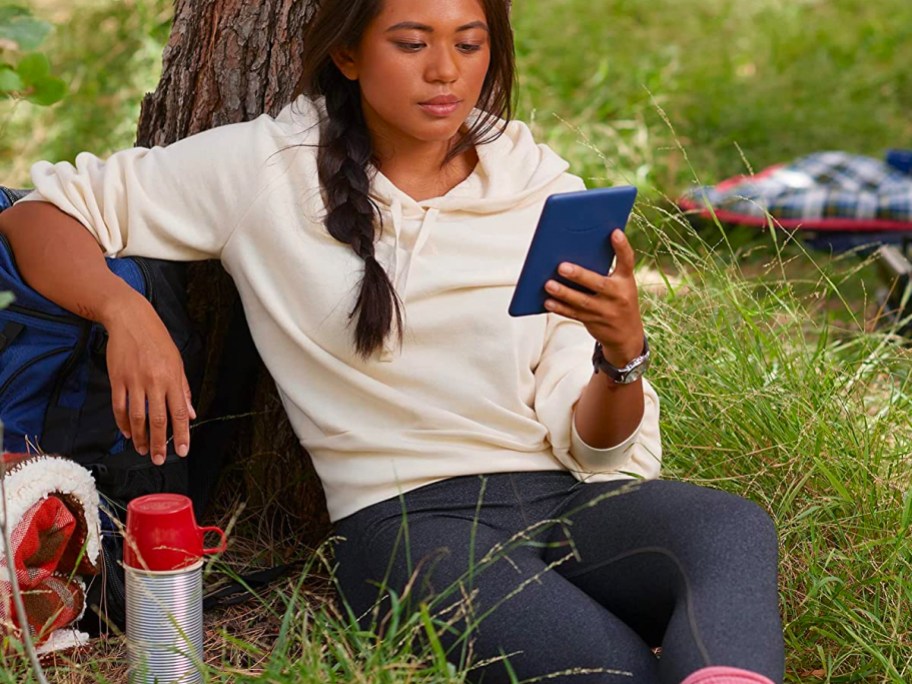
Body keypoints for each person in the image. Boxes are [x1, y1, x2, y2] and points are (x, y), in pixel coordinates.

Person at [0, 0, 785, 681]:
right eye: (412, 43)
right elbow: (37, 216)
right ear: (348, 53)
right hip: (408, 525)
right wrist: (124, 313)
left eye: (469, 44)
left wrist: (621, 354)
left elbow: (596, 447)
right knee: (609, 669)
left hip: (566, 499)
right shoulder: (268, 169)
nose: (445, 70)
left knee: (729, 528)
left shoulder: (539, 186)